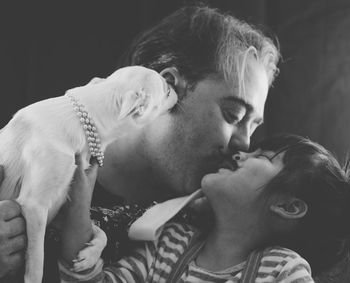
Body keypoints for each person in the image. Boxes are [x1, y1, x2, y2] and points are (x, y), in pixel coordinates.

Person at [0, 5, 280, 280]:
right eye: (234, 115)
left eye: (254, 127)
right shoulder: (33, 141)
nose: (245, 143)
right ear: (170, 85)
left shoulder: (217, 222)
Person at [58, 134, 350, 282]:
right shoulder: (166, 243)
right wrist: (79, 202)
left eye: (263, 157)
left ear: (287, 206)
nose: (239, 153)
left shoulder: (283, 270)